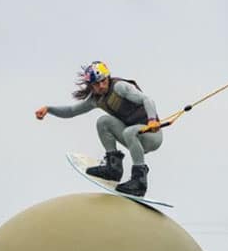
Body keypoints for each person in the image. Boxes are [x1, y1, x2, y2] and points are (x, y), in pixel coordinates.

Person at [35, 60, 162, 197]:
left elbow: (148, 100)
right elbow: (71, 111)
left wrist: (152, 120)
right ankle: (113, 168)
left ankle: (139, 181)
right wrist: (49, 109)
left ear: (108, 77)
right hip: (132, 138)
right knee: (103, 122)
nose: (101, 86)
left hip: (151, 136)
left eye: (103, 81)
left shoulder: (119, 87)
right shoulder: (95, 99)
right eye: (96, 84)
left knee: (129, 132)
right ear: (91, 86)